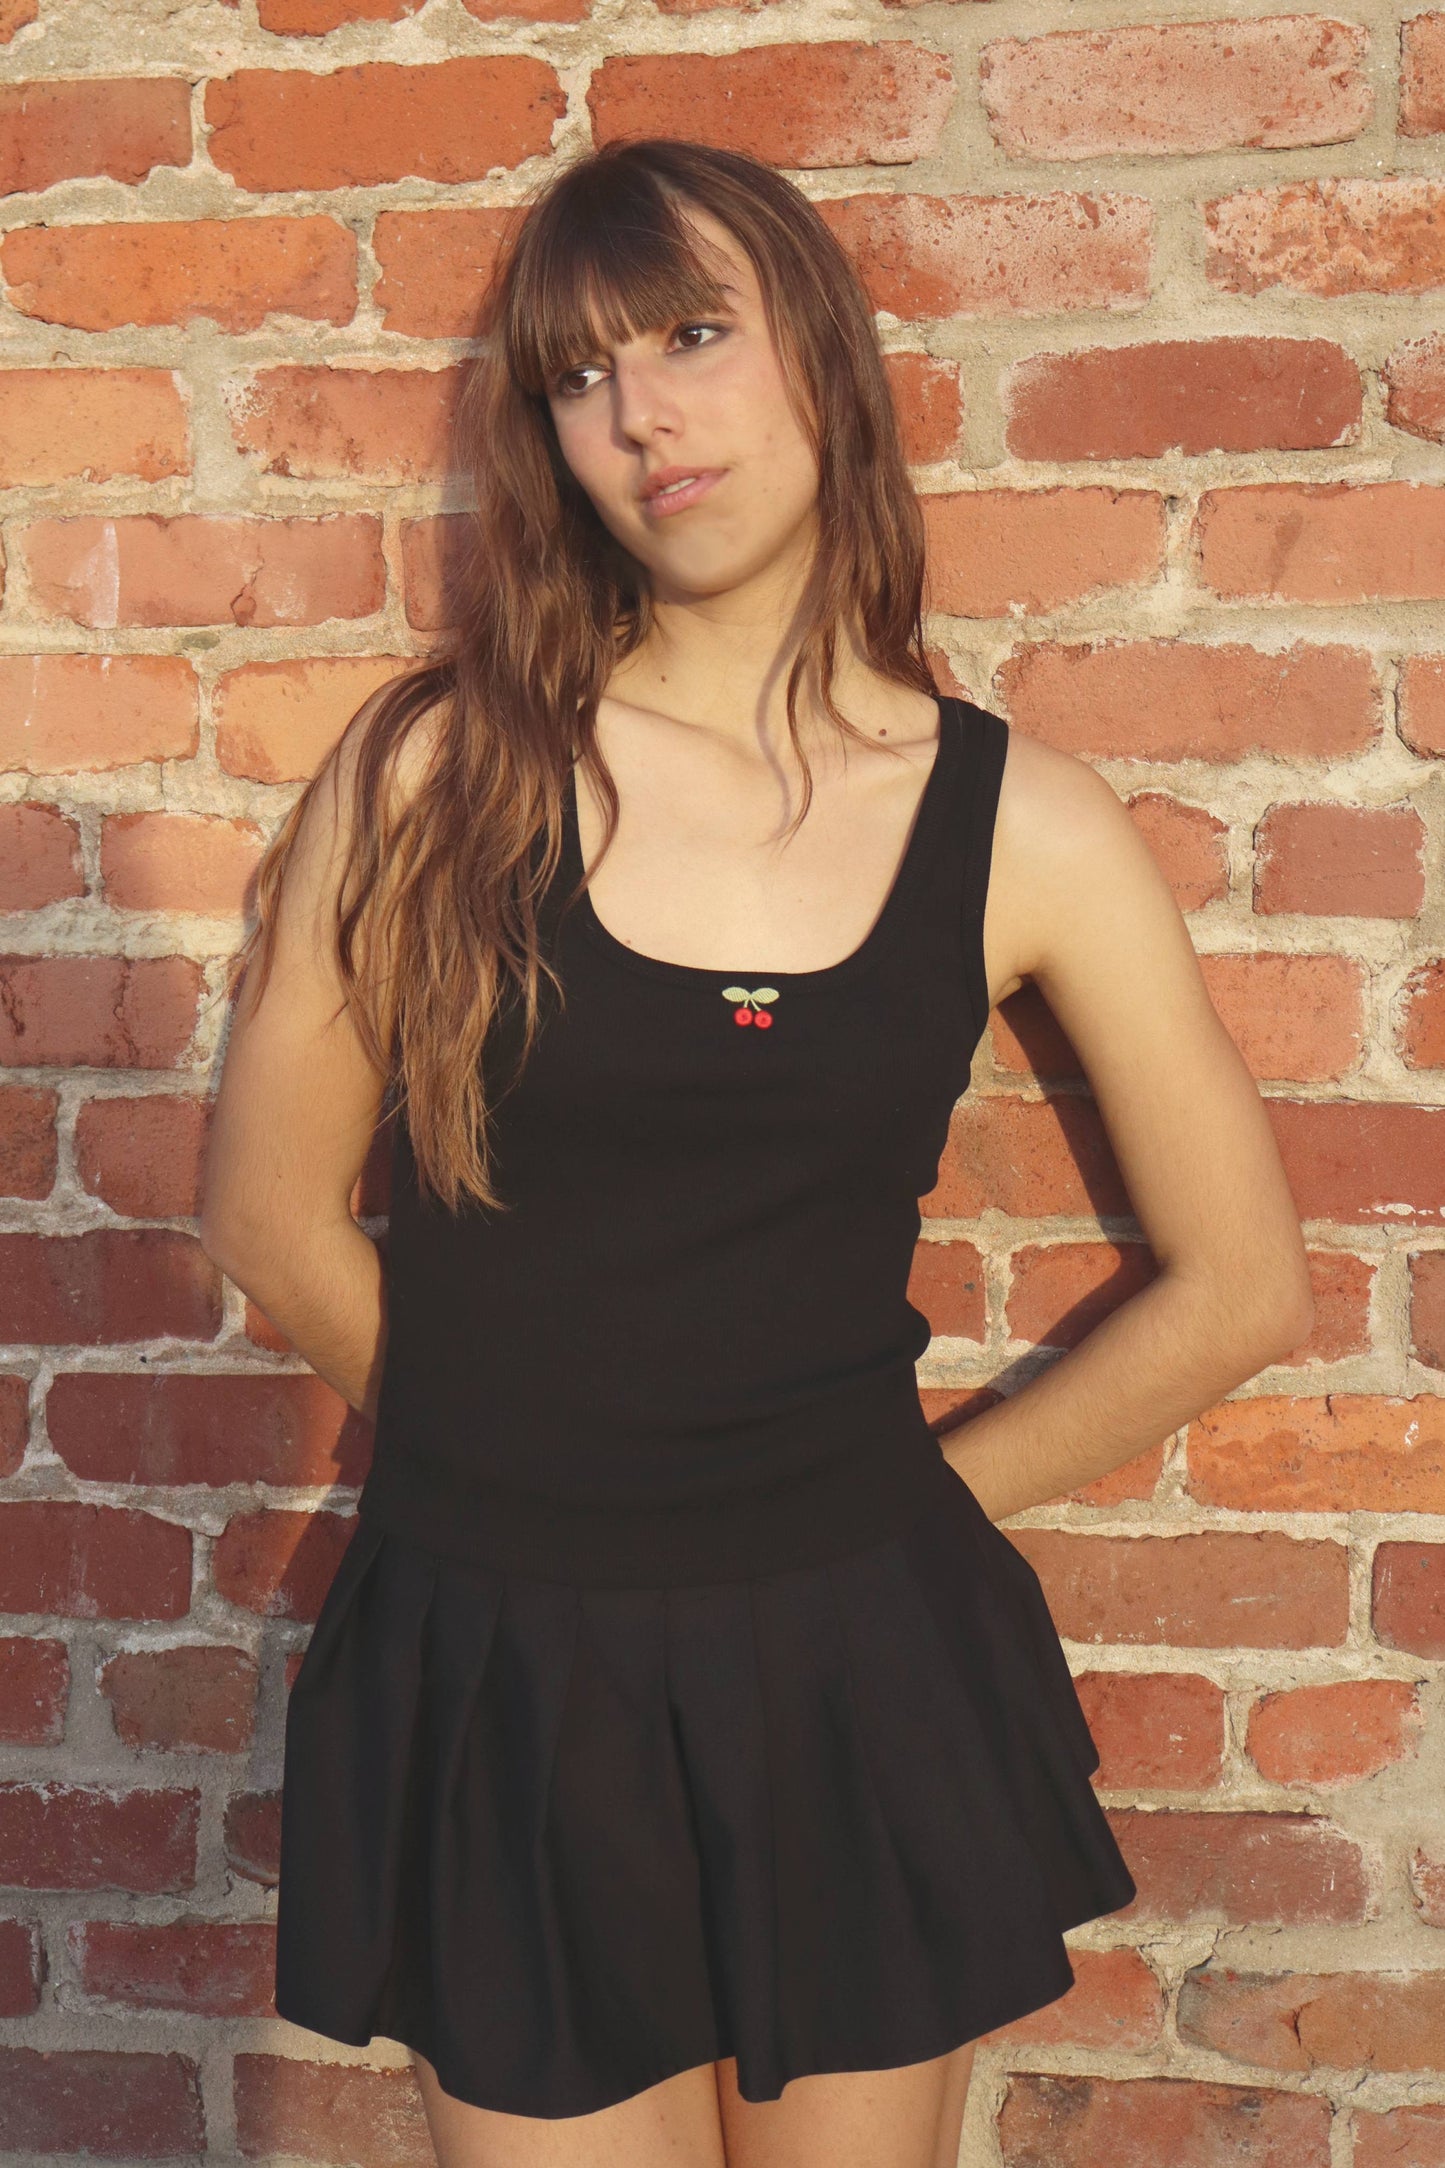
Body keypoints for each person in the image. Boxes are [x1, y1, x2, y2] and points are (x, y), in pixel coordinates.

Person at [200, 137, 1316, 2168]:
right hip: (507, 1654)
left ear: (820, 348)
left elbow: (1246, 1285)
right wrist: (535, 1471)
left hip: (851, 1667)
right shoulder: (441, 770)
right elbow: (268, 1216)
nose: (644, 414)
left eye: (695, 333)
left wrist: (883, 1510)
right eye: (580, 375)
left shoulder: (1024, 824)